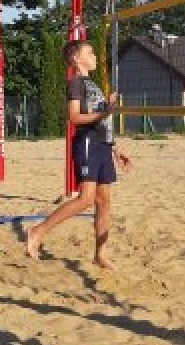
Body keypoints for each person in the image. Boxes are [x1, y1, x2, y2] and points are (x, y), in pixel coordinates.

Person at [23, 39, 133, 271]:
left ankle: (99, 255)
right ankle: (38, 231)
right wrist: (104, 112)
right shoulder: (76, 83)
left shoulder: (92, 84)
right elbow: (74, 118)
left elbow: (105, 122)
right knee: (85, 199)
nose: (94, 55)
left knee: (104, 202)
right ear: (76, 58)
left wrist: (115, 147)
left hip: (102, 145)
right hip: (88, 144)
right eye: (90, 52)